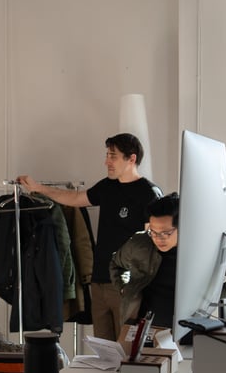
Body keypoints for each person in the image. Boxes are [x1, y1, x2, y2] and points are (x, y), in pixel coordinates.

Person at [18, 133, 161, 340]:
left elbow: (152, 244)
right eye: (107, 155)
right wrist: (38, 188)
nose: (106, 162)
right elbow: (75, 197)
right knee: (104, 350)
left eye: (113, 156)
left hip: (127, 286)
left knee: (127, 350)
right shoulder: (107, 186)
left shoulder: (148, 193)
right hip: (99, 283)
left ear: (131, 158)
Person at [109, 193, 181, 330]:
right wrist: (123, 287)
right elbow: (116, 263)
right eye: (153, 232)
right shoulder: (140, 244)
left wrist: (207, 298)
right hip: (141, 329)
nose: (159, 238)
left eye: (166, 233)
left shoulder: (200, 250)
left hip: (184, 330)